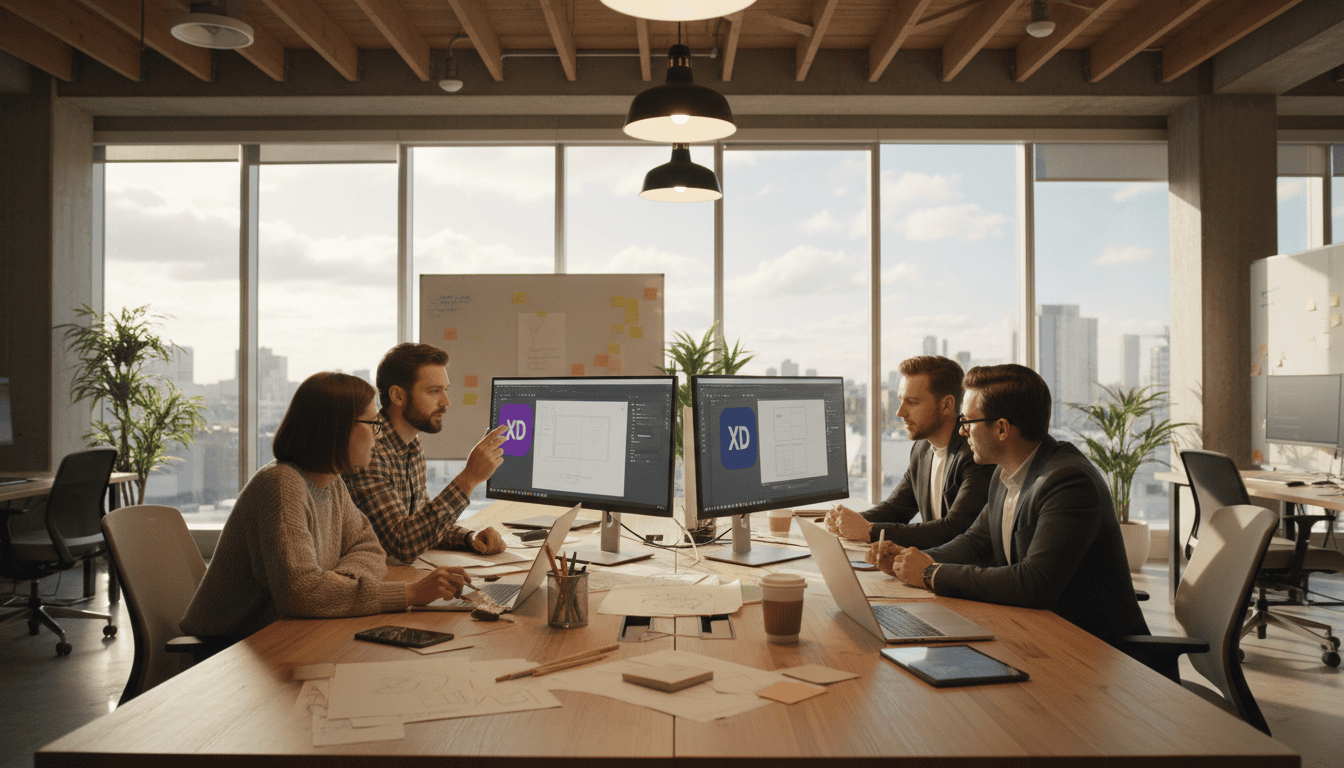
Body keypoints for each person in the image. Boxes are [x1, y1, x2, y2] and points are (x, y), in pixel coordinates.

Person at [869, 364, 1149, 645]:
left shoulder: (1068, 481)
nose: (962, 432)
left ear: (1002, 428)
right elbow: (975, 543)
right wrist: (911, 559)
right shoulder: (1004, 473)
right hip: (1036, 634)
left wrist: (931, 573)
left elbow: (1035, 582)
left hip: (1100, 653)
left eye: (967, 422)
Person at [180, 372, 471, 639]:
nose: (377, 436)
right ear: (337, 429)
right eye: (373, 425)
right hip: (230, 649)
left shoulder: (330, 482)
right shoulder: (281, 486)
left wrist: (338, 586)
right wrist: (410, 593)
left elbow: (370, 548)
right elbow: (302, 593)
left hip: (289, 630)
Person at [346, 343, 509, 563]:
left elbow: (422, 524)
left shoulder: (413, 446)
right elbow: (403, 543)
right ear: (398, 396)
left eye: (445, 390)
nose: (446, 402)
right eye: (433, 391)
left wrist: (469, 538)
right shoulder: (369, 450)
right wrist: (469, 478)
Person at [824, 355, 992, 549]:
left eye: (912, 402)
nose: (900, 412)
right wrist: (845, 521)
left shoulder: (975, 454)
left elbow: (954, 530)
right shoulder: (922, 449)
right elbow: (896, 509)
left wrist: (868, 531)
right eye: (901, 400)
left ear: (946, 405)